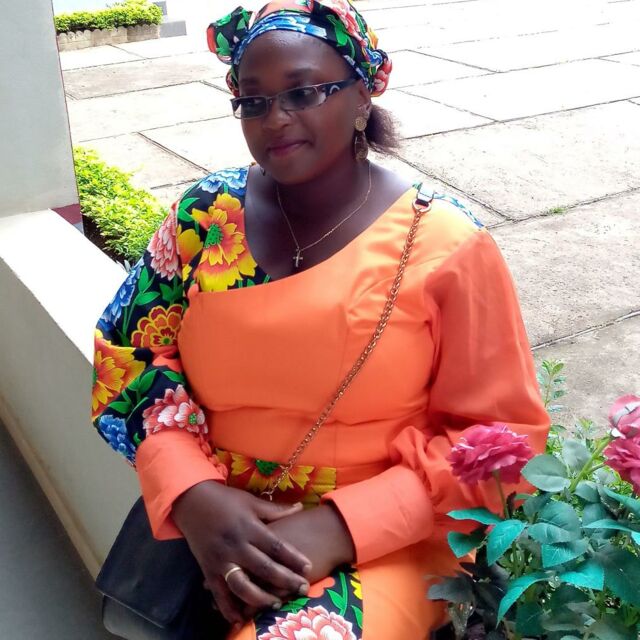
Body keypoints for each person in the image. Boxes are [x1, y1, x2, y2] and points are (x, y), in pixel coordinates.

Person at [91, 1, 550, 638]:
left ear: (362, 95)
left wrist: (339, 526)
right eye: (253, 100)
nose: (275, 118)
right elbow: (129, 357)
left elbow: (504, 442)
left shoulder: (445, 244)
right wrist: (194, 495)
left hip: (384, 538)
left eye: (303, 91)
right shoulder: (204, 216)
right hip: (217, 519)